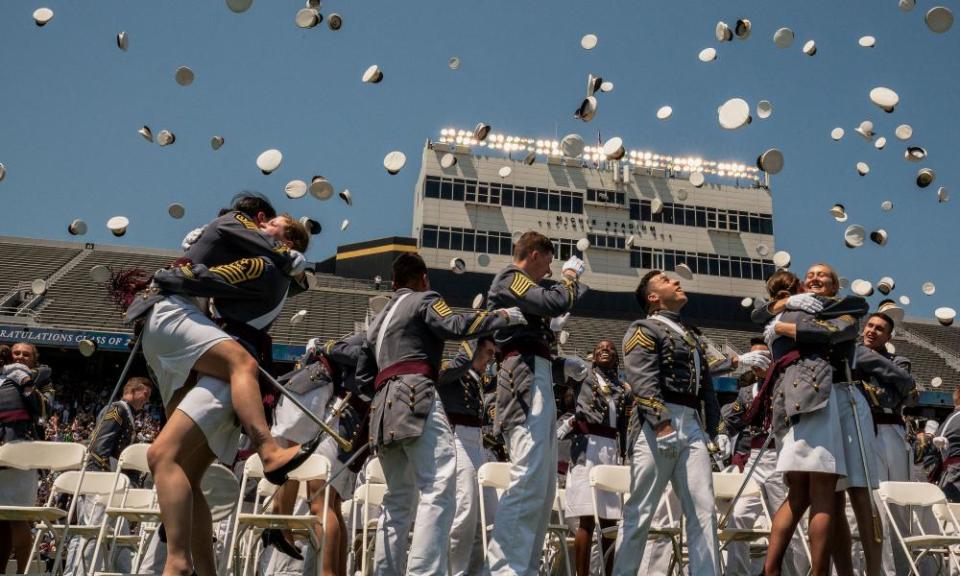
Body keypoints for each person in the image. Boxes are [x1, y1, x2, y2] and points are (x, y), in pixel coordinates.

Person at [124, 203, 315, 576]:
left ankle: (177, 564)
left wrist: (173, 275)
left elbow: (209, 280)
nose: (262, 226)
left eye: (271, 224)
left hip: (224, 374)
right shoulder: (285, 276)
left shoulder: (263, 263)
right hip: (227, 378)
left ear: (288, 239)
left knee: (162, 456)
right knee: (187, 477)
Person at [361, 252, 525, 576]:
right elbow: (452, 326)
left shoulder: (376, 322)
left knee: (397, 500)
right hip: (416, 393)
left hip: (382, 404)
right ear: (423, 278)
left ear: (394, 284)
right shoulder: (426, 298)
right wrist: (501, 316)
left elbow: (364, 376)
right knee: (438, 485)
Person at [756, 265, 872, 576]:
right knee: (822, 492)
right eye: (809, 275)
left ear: (835, 284)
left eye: (823, 275)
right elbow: (763, 315)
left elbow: (845, 320)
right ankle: (818, 572)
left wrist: (782, 325)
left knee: (801, 495)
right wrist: (785, 306)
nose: (813, 278)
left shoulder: (826, 309)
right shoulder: (797, 309)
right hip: (816, 398)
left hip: (795, 402)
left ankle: (774, 570)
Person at [485, 231, 588, 576]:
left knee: (543, 487)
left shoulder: (520, 284)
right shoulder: (509, 278)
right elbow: (553, 302)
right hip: (523, 381)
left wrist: (560, 366)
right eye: (547, 260)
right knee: (528, 475)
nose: (550, 269)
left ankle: (524, 568)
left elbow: (533, 336)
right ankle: (502, 570)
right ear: (532, 253)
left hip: (537, 372)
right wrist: (569, 278)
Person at [612, 270, 722, 575]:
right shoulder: (644, 328)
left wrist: (716, 429)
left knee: (704, 509)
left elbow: (707, 387)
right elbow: (642, 379)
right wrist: (661, 424)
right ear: (653, 297)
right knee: (641, 509)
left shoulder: (692, 334)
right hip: (657, 421)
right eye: (665, 280)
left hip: (692, 423)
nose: (675, 281)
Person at [263, 333, 365, 576]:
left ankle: (325, 570)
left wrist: (325, 347)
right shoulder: (394, 344)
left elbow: (357, 353)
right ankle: (335, 572)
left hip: (339, 419)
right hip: (353, 424)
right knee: (331, 505)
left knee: (319, 503)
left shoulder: (376, 337)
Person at [720, 338, 811, 576]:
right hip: (755, 459)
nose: (758, 362)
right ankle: (737, 573)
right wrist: (722, 432)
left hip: (782, 456)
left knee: (788, 524)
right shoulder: (746, 391)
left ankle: (794, 573)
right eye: (754, 358)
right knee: (738, 516)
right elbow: (733, 418)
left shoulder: (785, 383)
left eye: (763, 356)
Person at [63, 377, 153, 576]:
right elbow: (99, 445)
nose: (146, 400)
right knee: (92, 529)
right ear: (133, 390)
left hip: (111, 480)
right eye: (145, 394)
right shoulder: (118, 410)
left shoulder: (126, 413)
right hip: (101, 479)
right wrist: (102, 478)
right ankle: (79, 573)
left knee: (113, 531)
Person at [557, 339, 629, 576]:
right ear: (593, 357)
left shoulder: (621, 386)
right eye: (599, 349)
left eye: (609, 348)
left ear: (617, 358)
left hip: (611, 448)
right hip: (586, 447)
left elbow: (625, 424)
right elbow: (563, 368)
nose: (604, 350)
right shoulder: (583, 376)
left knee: (610, 521)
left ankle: (609, 572)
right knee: (586, 518)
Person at [854, 311, 917, 575]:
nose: (872, 331)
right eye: (869, 325)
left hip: (894, 433)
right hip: (866, 431)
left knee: (900, 505)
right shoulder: (853, 354)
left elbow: (891, 399)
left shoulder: (900, 360)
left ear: (888, 337)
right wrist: (895, 381)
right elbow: (901, 387)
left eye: (880, 329)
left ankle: (902, 570)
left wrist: (867, 370)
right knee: (874, 505)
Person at [437, 337, 497, 576]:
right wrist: (467, 351)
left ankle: (477, 572)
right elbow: (440, 376)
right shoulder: (453, 371)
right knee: (465, 512)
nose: (491, 358)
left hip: (478, 443)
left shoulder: (478, 379)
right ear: (473, 350)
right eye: (488, 352)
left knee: (491, 517)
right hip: (458, 440)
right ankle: (454, 571)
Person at [0, 343, 53, 574]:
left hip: (22, 451)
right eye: (16, 353)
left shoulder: (42, 379)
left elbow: (45, 409)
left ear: (34, 359)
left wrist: (26, 383)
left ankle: (22, 572)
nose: (20, 357)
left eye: (26, 354)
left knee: (18, 516)